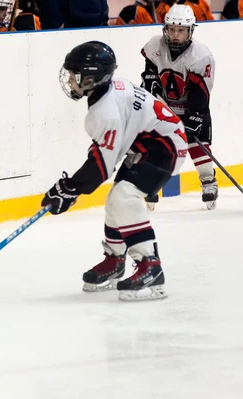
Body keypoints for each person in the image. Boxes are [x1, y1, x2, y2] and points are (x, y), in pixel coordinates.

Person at [42, 41, 187, 301]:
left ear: (92, 78)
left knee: (124, 197)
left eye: (75, 76)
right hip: (148, 144)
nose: (70, 81)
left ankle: (150, 266)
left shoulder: (104, 112)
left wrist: (70, 189)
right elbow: (108, 148)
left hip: (165, 148)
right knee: (114, 201)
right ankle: (115, 260)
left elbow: (102, 166)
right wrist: (72, 188)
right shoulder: (109, 90)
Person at [141, 4, 216, 210]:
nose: (175, 35)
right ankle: (153, 183)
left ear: (190, 31)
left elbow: (200, 95)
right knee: (158, 143)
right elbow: (149, 73)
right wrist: (151, 83)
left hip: (193, 106)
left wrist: (192, 120)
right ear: (165, 29)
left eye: (181, 30)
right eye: (172, 29)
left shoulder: (201, 56)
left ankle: (208, 181)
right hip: (165, 106)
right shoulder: (155, 45)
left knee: (197, 143)